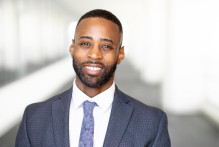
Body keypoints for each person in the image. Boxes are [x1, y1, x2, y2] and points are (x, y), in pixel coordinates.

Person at [15, 9, 171, 147]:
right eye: (85, 43)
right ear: (72, 48)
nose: (95, 54)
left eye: (106, 46)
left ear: (120, 54)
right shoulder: (34, 118)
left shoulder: (152, 123)